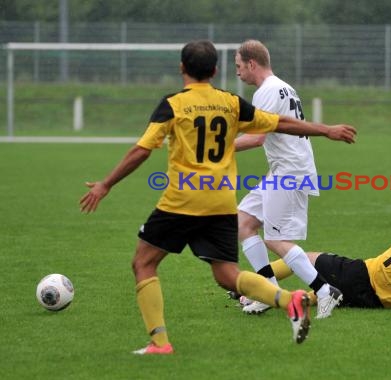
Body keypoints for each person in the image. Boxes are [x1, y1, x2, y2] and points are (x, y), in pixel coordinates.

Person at [79, 40, 357, 355]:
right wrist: (326, 129)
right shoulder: (232, 103)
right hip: (222, 200)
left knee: (144, 263)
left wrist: (106, 184)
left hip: (186, 198)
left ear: (182, 68)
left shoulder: (173, 104)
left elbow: (141, 150)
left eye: (240, 66)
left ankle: (160, 343)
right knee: (232, 263)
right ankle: (281, 297)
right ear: (214, 70)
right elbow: (281, 124)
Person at [232, 40, 342, 318]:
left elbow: (257, 138)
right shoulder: (282, 86)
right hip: (282, 169)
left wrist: (220, 146)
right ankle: (269, 293)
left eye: (238, 66)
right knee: (243, 222)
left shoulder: (267, 91)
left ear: (251, 63)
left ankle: (325, 291)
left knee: (275, 239)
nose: (237, 72)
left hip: (290, 171)